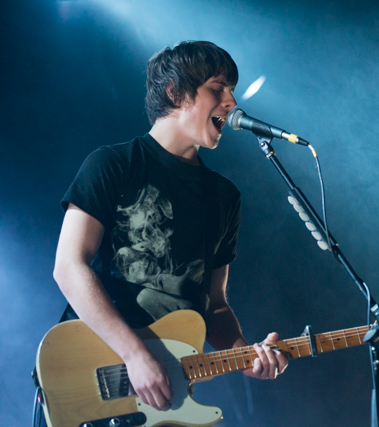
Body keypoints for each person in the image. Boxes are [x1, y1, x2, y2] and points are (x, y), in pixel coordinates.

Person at [50, 40, 288, 412]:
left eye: (232, 90)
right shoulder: (113, 164)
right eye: (218, 88)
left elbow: (215, 306)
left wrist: (247, 355)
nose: (231, 102)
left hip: (166, 397)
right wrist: (134, 354)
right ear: (175, 92)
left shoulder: (224, 197)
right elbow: (68, 267)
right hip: (94, 375)